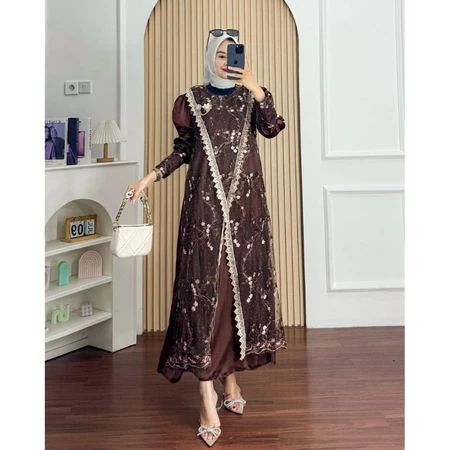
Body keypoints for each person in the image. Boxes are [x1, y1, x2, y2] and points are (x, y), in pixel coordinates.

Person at [127, 29, 287, 446]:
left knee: (234, 294)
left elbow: (273, 128)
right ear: (208, 57)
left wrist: (258, 89)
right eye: (219, 54)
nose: (226, 61)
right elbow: (184, 150)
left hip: (246, 212)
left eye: (232, 54)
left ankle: (229, 379)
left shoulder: (251, 97)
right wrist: (149, 178)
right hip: (204, 211)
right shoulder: (191, 100)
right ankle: (205, 394)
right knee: (204, 296)